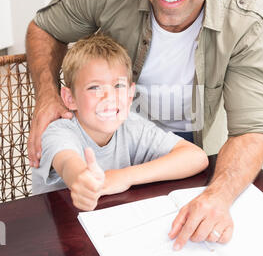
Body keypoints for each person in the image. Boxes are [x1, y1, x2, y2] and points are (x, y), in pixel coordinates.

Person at [26, 0, 263, 247]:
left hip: (190, 157)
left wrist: (218, 195)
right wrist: (48, 94)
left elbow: (252, 129)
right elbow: (44, 27)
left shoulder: (247, 20)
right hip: (113, 145)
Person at [32, 34, 208, 210]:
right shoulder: (59, 131)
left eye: (119, 86)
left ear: (130, 94)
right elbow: (67, 162)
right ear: (70, 98)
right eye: (94, 87)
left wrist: (123, 177)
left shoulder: (132, 126)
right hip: (59, 226)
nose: (109, 97)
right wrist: (81, 177)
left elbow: (196, 157)